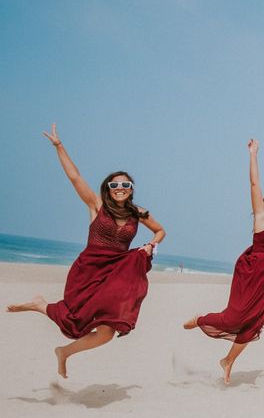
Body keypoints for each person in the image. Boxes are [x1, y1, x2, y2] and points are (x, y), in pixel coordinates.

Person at [7, 124, 166, 379]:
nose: (120, 188)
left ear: (131, 188)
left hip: (115, 272)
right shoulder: (97, 205)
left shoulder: (140, 213)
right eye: (115, 185)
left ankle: (64, 352)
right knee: (75, 320)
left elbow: (160, 231)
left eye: (125, 184)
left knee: (107, 332)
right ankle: (40, 306)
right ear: (108, 189)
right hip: (89, 269)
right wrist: (59, 147)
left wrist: (150, 245)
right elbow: (75, 177)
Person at [183, 139, 264, 385]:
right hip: (250, 271)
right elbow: (254, 183)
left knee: (257, 321)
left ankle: (228, 361)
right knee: (234, 317)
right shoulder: (260, 215)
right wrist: (253, 154)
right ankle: (201, 319)